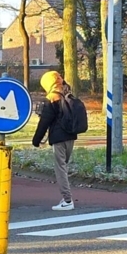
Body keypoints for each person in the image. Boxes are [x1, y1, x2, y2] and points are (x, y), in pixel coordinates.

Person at [32, 70, 78, 211]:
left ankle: (67, 200)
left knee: (60, 169)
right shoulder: (68, 92)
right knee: (64, 165)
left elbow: (44, 122)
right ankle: (66, 197)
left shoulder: (52, 98)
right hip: (71, 135)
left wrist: (36, 140)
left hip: (59, 138)